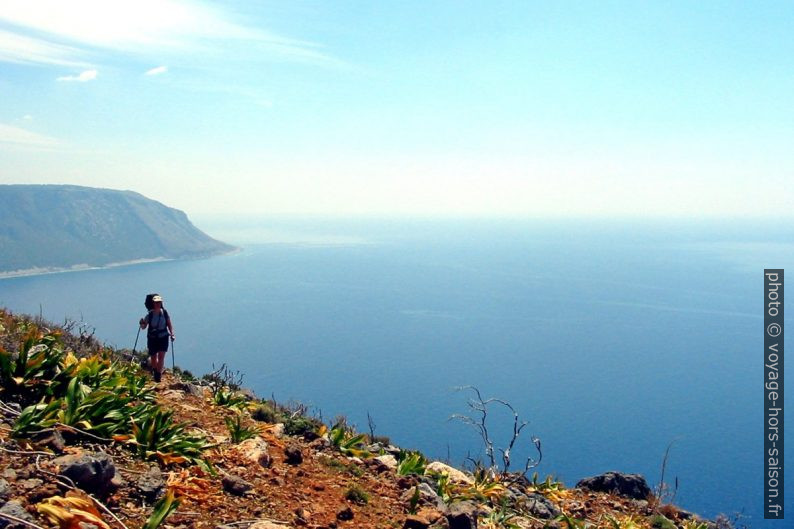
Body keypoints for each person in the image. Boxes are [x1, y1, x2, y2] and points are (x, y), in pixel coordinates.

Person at [139, 294, 174, 382]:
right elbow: (144, 327)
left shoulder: (165, 313)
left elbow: (169, 324)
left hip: (163, 337)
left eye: (159, 302)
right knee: (154, 357)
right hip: (152, 338)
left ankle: (158, 375)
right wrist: (142, 323)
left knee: (161, 356)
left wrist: (172, 334)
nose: (158, 304)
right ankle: (155, 370)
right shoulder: (149, 315)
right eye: (156, 302)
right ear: (153, 303)